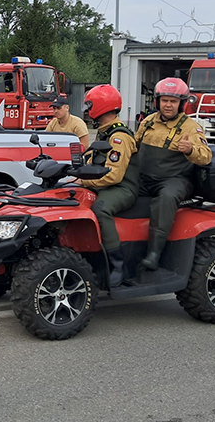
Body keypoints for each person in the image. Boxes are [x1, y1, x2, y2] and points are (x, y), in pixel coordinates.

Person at [134, 77, 212, 271]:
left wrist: (190, 150)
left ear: (181, 104)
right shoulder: (148, 121)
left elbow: (206, 157)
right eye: (165, 100)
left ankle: (154, 253)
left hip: (174, 179)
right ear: (157, 101)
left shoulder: (191, 127)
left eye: (173, 101)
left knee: (166, 198)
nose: (168, 105)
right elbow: (134, 145)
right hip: (144, 178)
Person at [74, 84, 138, 288]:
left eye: (90, 105)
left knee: (100, 210)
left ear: (101, 106)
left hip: (123, 188)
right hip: (105, 184)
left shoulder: (119, 137)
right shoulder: (104, 132)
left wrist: (83, 181)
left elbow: (114, 176)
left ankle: (118, 265)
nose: (87, 109)